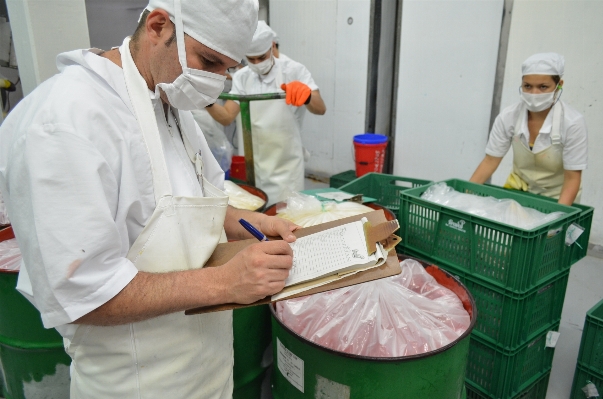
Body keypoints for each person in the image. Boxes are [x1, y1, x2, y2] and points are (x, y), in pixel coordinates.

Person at [0, 1, 299, 398]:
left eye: (226, 69)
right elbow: (84, 295)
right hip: (135, 384)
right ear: (158, 26)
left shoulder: (166, 101)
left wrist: (250, 223)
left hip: (206, 373)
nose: (215, 81)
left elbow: (188, 200)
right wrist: (224, 283)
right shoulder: (64, 123)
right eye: (208, 61)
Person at [206, 21, 326, 204]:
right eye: (251, 59)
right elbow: (226, 116)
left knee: (290, 215)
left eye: (261, 57)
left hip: (288, 166)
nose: (256, 63)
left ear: (271, 47)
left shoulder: (293, 70)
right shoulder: (242, 77)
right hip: (257, 166)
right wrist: (207, 102)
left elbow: (320, 108)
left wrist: (307, 96)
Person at [470, 53, 588, 205]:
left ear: (559, 85)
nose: (534, 94)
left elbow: (573, 178)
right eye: (528, 86)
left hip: (557, 198)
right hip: (518, 193)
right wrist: (464, 198)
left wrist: (557, 218)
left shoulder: (572, 123)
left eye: (543, 87)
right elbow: (490, 161)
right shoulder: (509, 117)